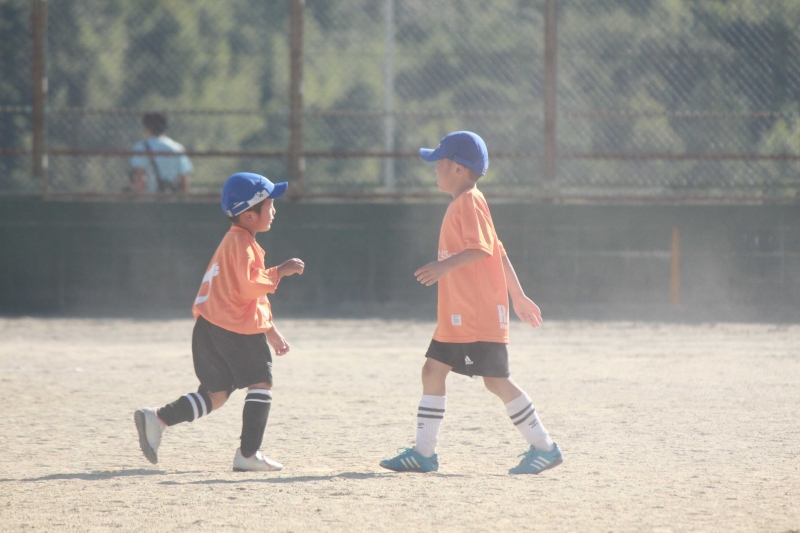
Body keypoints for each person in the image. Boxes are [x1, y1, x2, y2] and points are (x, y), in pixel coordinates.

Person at [379, 131, 563, 475]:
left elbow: (481, 249)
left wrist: (442, 267)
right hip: (458, 314)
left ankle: (544, 447)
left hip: (475, 314)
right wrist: (518, 295)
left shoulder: (469, 201)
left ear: (459, 169)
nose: (435, 168)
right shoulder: (466, 202)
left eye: (440, 162)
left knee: (495, 380)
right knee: (432, 370)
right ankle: (423, 453)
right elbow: (498, 251)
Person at [134, 172, 305, 472]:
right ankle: (248, 454)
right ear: (249, 215)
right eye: (270, 206)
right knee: (260, 383)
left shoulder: (234, 242)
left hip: (209, 326)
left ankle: (158, 418)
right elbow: (250, 287)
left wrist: (271, 331)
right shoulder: (242, 245)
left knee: (216, 394)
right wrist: (280, 271)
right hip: (234, 327)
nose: (274, 211)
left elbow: (244, 294)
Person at [130, 112, 193, 193]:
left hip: (151, 196)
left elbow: (140, 176)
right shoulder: (177, 148)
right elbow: (184, 178)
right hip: (172, 196)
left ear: (146, 127)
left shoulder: (141, 147)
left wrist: (140, 197)